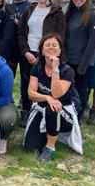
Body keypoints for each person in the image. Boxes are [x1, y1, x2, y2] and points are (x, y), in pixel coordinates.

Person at [25, 34, 83, 162]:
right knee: (30, 146)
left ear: (60, 50)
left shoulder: (67, 70)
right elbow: (30, 93)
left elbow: (57, 95)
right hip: (42, 107)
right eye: (47, 45)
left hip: (64, 111)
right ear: (42, 50)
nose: (51, 47)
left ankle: (50, 147)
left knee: (53, 107)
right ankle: (49, 134)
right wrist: (47, 97)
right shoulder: (37, 67)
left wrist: (55, 69)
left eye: (54, 45)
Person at [17, 0, 65, 126]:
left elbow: (61, 35)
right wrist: (26, 52)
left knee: (44, 83)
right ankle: (26, 111)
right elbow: (20, 33)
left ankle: (44, 111)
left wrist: (49, 54)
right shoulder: (29, 10)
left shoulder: (57, 12)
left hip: (47, 54)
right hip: (29, 53)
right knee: (26, 82)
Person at [65, 0, 95, 120]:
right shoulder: (71, 12)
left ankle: (78, 118)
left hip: (82, 62)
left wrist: (83, 65)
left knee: (81, 91)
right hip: (68, 60)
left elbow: (93, 43)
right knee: (68, 90)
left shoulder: (93, 14)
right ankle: (68, 116)